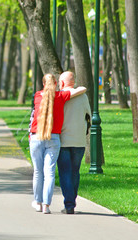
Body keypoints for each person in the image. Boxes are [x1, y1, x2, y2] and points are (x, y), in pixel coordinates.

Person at [29, 73, 86, 214]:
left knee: (38, 172)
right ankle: (46, 206)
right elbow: (82, 89)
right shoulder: (61, 96)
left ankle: (37, 202)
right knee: (50, 173)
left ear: (43, 84)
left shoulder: (37, 96)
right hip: (54, 138)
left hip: (36, 137)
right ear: (56, 83)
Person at [57, 71, 92, 214]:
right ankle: (72, 201)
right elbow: (88, 116)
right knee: (75, 172)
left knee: (65, 172)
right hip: (79, 140)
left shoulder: (59, 97)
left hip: (63, 139)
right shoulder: (83, 97)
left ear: (63, 83)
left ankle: (69, 204)